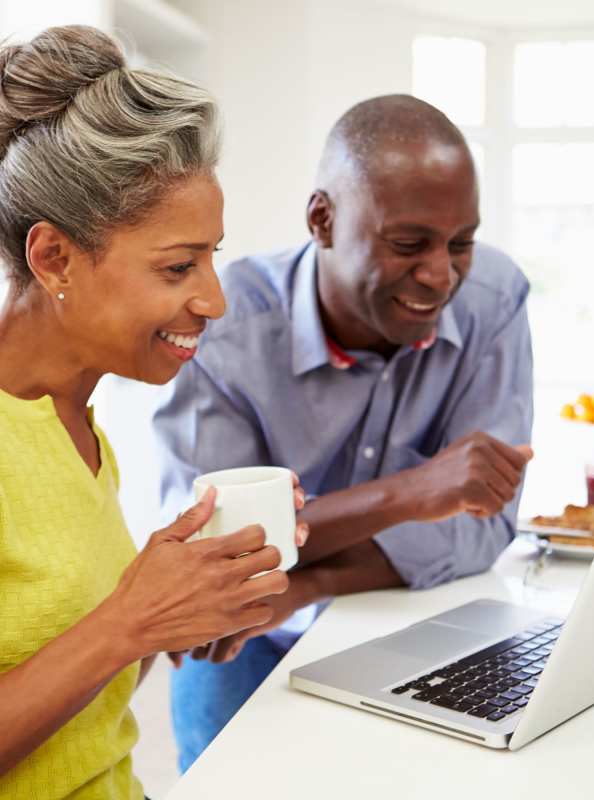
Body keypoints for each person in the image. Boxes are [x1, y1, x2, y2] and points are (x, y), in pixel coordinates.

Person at [154, 94, 534, 771]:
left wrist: (301, 584)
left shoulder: (495, 299)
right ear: (322, 220)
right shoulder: (224, 325)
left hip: (400, 630)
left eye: (462, 243)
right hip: (244, 641)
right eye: (409, 244)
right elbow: (212, 560)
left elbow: (483, 525)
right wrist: (413, 494)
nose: (441, 275)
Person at [0, 26, 306, 799]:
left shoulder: (79, 430)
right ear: (54, 259)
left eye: (212, 257)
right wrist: (130, 622)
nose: (215, 299)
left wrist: (182, 620)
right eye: (179, 266)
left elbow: (73, 706)